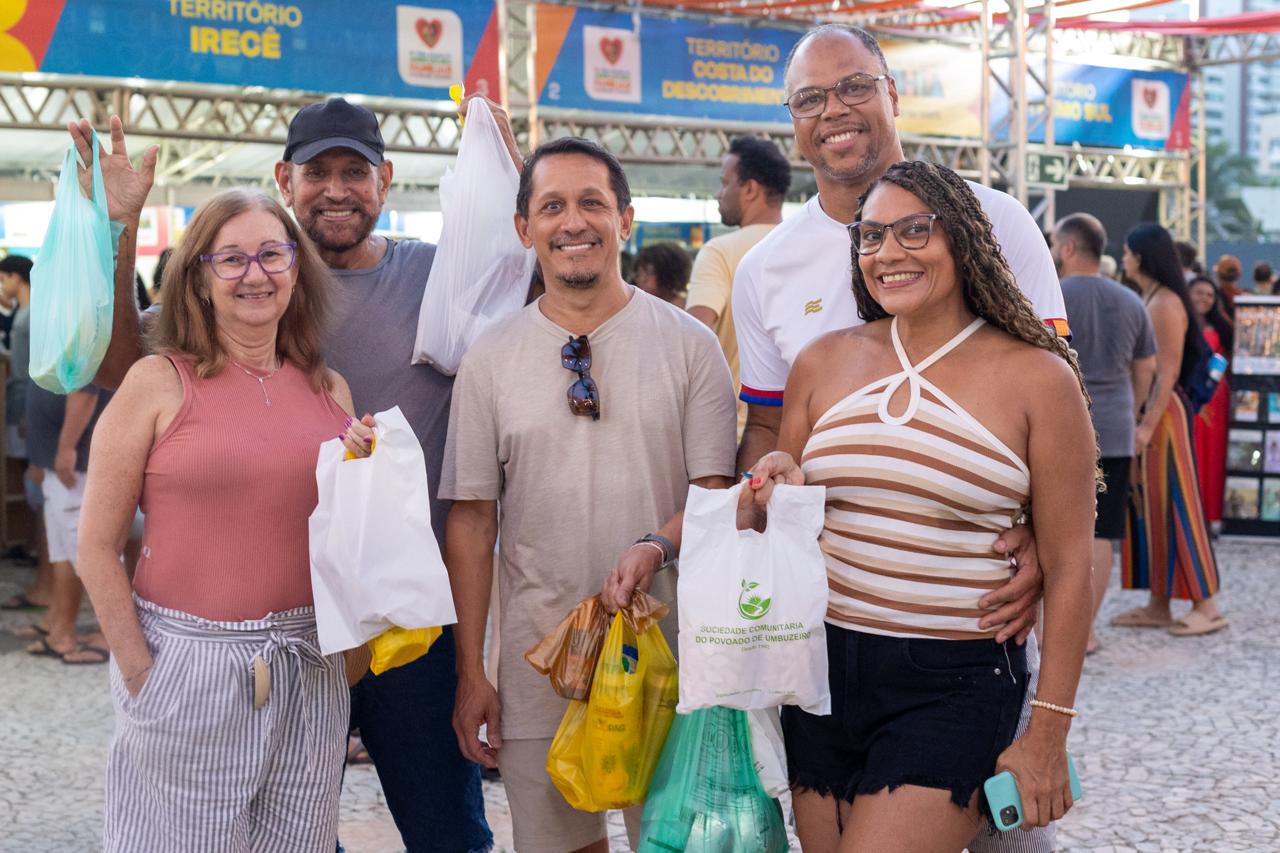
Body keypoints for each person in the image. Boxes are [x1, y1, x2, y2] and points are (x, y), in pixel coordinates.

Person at [77, 99, 502, 852]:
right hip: (262, 645)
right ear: (286, 177)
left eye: (355, 172)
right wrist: (118, 228)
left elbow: (524, 288)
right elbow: (118, 365)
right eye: (317, 172)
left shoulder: (428, 284)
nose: (336, 190)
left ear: (386, 179)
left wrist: (505, 177)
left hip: (400, 623)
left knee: (443, 831)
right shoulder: (223, 309)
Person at [730, 24, 1068, 850]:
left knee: (1001, 837)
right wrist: (762, 512)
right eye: (810, 98)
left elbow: (1062, 412)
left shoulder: (999, 221)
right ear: (793, 120)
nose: (834, 111)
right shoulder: (764, 267)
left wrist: (1045, 538)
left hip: (966, 620)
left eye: (853, 86)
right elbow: (772, 430)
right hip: (827, 636)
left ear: (891, 93)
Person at [442, 136, 736, 853]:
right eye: (552, 206)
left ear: (625, 219)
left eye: (592, 203)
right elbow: (474, 522)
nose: (573, 222)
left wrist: (656, 543)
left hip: (673, 661)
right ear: (524, 229)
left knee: (676, 842)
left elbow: (719, 495)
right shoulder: (489, 360)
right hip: (543, 663)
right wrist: (472, 670)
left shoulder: (689, 347)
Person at [76, 188, 377, 850]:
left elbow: (345, 537)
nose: (255, 273)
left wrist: (370, 473)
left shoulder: (331, 390)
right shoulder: (156, 382)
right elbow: (96, 545)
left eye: (272, 253)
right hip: (189, 667)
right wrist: (140, 672)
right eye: (231, 258)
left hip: (310, 668)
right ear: (200, 278)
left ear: (297, 269)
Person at [1050, 213, 1157, 654]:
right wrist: (1131, 412)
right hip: (1113, 427)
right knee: (1103, 532)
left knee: (1052, 529)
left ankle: (1052, 631)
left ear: (1070, 248)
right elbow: (1146, 365)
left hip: (1057, 426)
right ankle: (1086, 632)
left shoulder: (1053, 295)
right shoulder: (1131, 300)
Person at [1114, 224, 1227, 636]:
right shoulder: (1154, 297)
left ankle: (1207, 605)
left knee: (1177, 503)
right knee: (1151, 509)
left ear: (1141, 257)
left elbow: (1168, 372)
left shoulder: (1164, 303)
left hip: (1162, 415)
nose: (1123, 257)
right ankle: (1158, 603)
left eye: (1127, 251)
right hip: (1152, 413)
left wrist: (1144, 425)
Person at [686, 136, 792, 434]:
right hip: (801, 435)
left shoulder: (720, 251)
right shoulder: (806, 249)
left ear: (750, 189)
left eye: (725, 183)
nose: (720, 194)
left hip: (737, 433)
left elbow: (693, 339)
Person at [1188, 274, 1233, 529]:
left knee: (1213, 454)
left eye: (1209, 294)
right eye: (1199, 292)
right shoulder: (1181, 320)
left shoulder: (1222, 325)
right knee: (1192, 449)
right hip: (1191, 394)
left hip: (1216, 397)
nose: (1204, 298)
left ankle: (1211, 513)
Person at [631, 241, 692, 307]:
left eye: (649, 273)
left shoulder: (687, 309)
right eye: (638, 274)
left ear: (668, 275)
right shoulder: (640, 304)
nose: (642, 279)